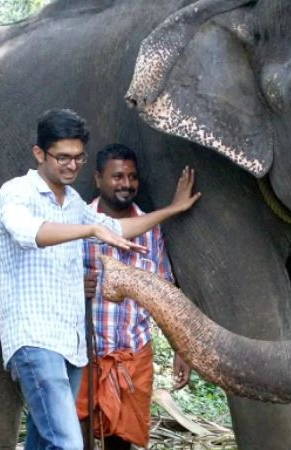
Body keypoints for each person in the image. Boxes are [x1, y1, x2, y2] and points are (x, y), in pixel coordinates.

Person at [0, 109, 201, 450]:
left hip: (72, 344)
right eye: (62, 157)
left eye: (77, 158)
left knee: (44, 440)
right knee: (69, 443)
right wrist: (93, 227)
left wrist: (171, 210)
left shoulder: (73, 202)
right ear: (39, 154)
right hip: (35, 339)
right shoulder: (17, 193)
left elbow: (116, 228)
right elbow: (29, 232)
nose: (71, 165)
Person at [76, 144, 192, 450]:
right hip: (84, 351)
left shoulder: (150, 230)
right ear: (98, 178)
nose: (126, 184)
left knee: (122, 442)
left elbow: (163, 291)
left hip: (133, 353)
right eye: (117, 176)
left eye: (131, 176)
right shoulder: (77, 223)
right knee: (78, 435)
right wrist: (76, 286)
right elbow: (51, 279)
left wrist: (182, 349)